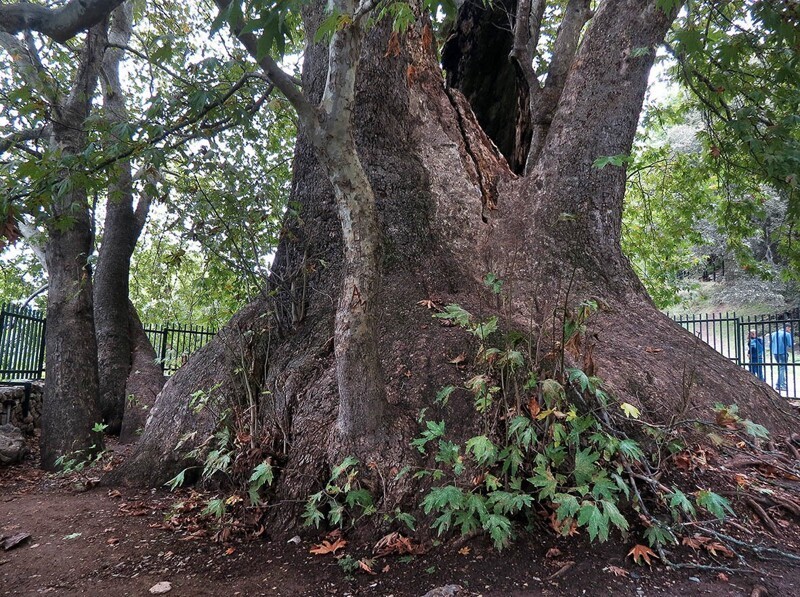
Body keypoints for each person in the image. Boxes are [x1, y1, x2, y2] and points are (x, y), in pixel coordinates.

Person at [770, 324, 793, 392]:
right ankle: (782, 385)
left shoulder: (773, 333)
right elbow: (790, 344)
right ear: (787, 328)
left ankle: (779, 384)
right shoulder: (787, 334)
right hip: (782, 352)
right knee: (782, 368)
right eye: (789, 328)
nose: (790, 330)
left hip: (775, 353)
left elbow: (771, 343)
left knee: (781, 368)